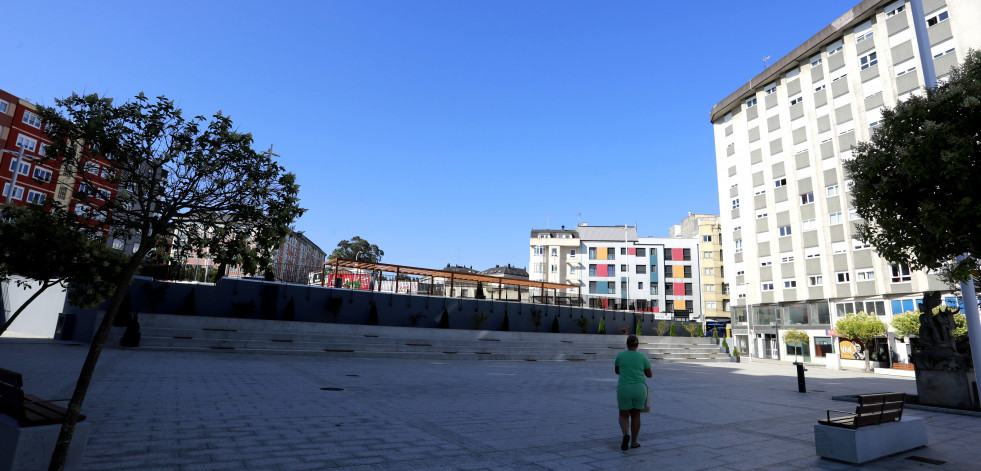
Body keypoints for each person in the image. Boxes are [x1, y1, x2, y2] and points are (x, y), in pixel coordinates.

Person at [615, 334, 652, 450]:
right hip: (639, 389)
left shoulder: (620, 355)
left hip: (624, 388)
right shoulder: (642, 357)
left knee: (623, 415)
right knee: (636, 415)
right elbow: (649, 375)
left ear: (627, 344)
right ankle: (634, 442)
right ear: (637, 345)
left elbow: (617, 371)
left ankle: (626, 434)